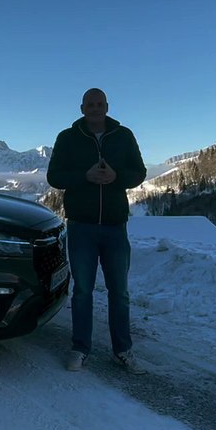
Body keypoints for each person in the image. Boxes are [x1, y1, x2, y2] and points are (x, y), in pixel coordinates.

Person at [46, 88, 148, 373]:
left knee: (120, 292)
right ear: (82, 108)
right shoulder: (67, 138)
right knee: (82, 291)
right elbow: (54, 176)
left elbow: (139, 172)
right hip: (81, 226)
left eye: (99, 103)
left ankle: (122, 350)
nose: (94, 108)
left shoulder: (123, 135)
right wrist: (84, 177)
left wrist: (117, 178)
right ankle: (80, 348)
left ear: (107, 106)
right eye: (90, 104)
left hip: (115, 226)